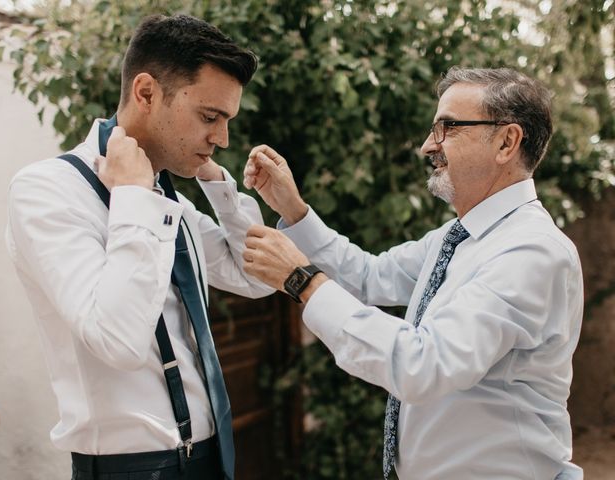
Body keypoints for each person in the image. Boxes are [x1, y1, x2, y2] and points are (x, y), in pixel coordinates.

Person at [241, 67, 584, 479]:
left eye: (447, 128)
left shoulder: (530, 251)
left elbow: (423, 365)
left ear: (507, 141)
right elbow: (369, 277)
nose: (427, 146)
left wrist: (302, 280)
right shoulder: (455, 237)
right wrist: (293, 210)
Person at [6, 14, 274, 480]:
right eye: (210, 117)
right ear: (146, 93)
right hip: (130, 469)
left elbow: (254, 276)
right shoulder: (47, 190)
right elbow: (118, 339)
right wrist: (131, 196)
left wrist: (217, 185)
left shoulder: (164, 199)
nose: (222, 138)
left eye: (226, 121)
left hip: (214, 458)